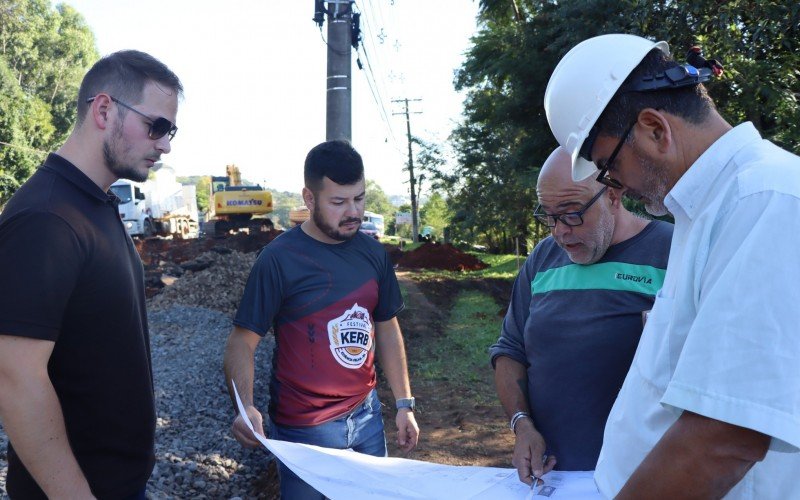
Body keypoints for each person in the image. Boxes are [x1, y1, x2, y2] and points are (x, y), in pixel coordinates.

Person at [544, 33, 800, 498]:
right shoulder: (705, 210)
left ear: (654, 130)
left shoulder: (766, 200)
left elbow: (726, 437)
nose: (613, 182)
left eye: (607, 165)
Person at [0, 51, 182, 499]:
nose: (165, 145)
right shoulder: (47, 217)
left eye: (171, 131)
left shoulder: (94, 203)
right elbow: (14, 376)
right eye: (156, 126)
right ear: (103, 110)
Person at [223, 140, 419, 499]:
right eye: (338, 202)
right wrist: (245, 405)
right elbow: (242, 340)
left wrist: (404, 404)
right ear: (309, 199)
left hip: (367, 419)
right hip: (305, 431)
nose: (353, 212)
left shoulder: (374, 255)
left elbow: (387, 328)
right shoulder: (279, 260)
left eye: (359, 199)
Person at [489, 146, 672, 485]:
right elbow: (510, 349)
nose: (559, 231)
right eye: (548, 216)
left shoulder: (671, 252)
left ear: (613, 194)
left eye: (572, 214)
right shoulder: (543, 259)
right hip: (555, 477)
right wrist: (521, 423)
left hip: (644, 478)